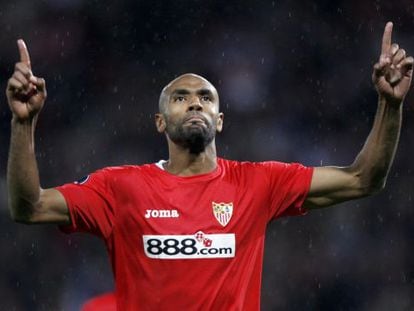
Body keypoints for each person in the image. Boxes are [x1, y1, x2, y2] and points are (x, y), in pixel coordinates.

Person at [6, 22, 412, 310]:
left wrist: (389, 104)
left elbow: (364, 179)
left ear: (219, 120)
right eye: (181, 97)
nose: (196, 101)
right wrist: (24, 123)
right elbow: (30, 207)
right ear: (160, 122)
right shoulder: (120, 188)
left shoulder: (258, 183)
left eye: (206, 96)